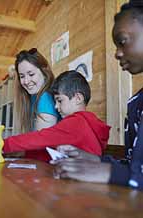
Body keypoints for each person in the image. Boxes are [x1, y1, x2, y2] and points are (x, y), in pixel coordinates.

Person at [53, 1, 143, 190]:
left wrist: (109, 173)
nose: (117, 54)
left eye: (123, 41)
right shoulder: (136, 104)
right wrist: (95, 160)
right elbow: (134, 167)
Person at [3, 70, 111, 162]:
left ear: (78, 98)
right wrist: (24, 153)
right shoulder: (88, 123)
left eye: (59, 100)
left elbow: (40, 138)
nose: (56, 106)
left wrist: (2, 145)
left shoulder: (76, 122)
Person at [12, 48, 61, 159]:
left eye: (31, 74)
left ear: (44, 73)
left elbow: (39, 144)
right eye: (22, 76)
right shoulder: (34, 96)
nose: (26, 81)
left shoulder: (46, 97)